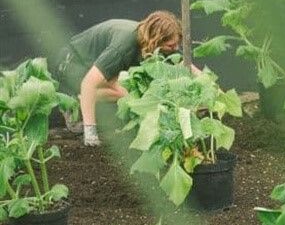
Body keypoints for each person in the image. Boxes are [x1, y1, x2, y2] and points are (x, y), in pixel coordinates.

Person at [55, 10, 201, 146]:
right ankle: (75, 102)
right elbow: (89, 82)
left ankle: (85, 101)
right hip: (71, 64)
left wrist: (211, 86)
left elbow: (184, 63)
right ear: (156, 40)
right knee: (124, 93)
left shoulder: (151, 37)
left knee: (130, 90)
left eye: (177, 44)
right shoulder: (125, 45)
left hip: (91, 63)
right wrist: (90, 133)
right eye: (171, 45)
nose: (175, 48)